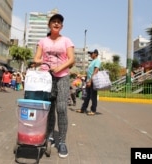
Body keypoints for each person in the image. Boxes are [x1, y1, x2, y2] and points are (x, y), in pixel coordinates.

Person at [34, 13, 75, 158]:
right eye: (54, 22)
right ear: (49, 25)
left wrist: (59, 67)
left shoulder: (66, 41)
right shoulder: (42, 41)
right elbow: (36, 58)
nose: (56, 24)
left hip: (62, 77)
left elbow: (71, 59)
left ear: (62, 26)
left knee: (62, 108)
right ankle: (49, 136)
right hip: (46, 77)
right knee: (49, 108)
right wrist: (40, 62)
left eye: (59, 22)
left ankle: (62, 141)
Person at [76, 49, 101, 115]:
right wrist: (81, 75)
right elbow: (89, 73)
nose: (90, 55)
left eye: (91, 53)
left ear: (95, 54)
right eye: (90, 53)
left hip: (93, 81)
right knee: (87, 96)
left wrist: (90, 81)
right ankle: (83, 109)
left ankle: (93, 110)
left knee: (93, 97)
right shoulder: (92, 61)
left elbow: (95, 72)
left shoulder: (97, 61)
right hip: (89, 81)